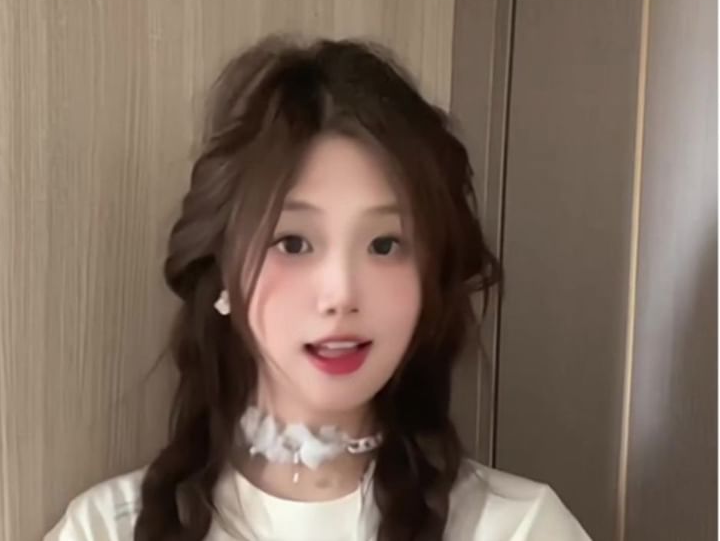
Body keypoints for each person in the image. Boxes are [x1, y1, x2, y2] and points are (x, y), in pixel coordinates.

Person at [44, 34, 592, 541]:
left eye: (385, 245)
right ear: (222, 272)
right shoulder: (105, 530)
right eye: (293, 242)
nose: (340, 294)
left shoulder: (520, 529)